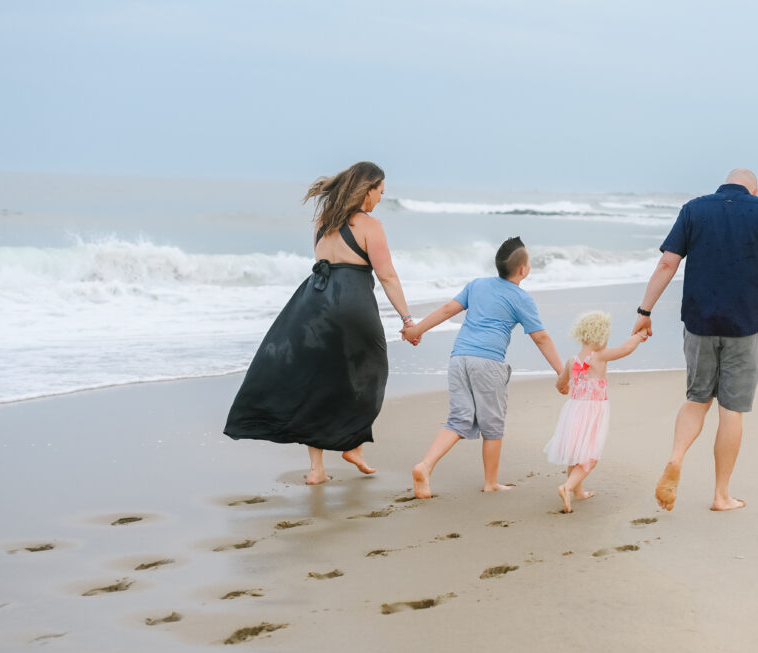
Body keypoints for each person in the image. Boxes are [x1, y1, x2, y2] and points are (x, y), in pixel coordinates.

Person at [223, 161, 416, 485]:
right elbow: (386, 275)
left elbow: (323, 262)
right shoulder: (369, 225)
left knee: (317, 379)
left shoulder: (323, 222)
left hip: (313, 303)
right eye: (380, 191)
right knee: (369, 371)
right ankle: (353, 445)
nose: (381, 198)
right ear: (367, 190)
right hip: (351, 303)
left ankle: (317, 468)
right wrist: (407, 318)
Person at [632, 168, 758, 511]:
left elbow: (667, 263)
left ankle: (676, 457)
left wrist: (645, 311)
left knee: (697, 399)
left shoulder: (694, 209)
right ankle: (721, 495)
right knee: (731, 411)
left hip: (700, 323)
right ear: (754, 190)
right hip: (746, 326)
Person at [402, 236, 564, 498]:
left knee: (458, 419)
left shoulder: (477, 285)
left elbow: (446, 310)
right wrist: (561, 372)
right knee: (493, 425)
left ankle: (425, 465)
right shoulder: (522, 299)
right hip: (488, 363)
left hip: (459, 359)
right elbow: (541, 338)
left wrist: (416, 330)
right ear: (523, 269)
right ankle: (490, 482)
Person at [544, 311, 648, 513]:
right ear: (600, 336)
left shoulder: (572, 360)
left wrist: (564, 388)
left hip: (574, 410)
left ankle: (578, 491)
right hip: (593, 412)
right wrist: (639, 335)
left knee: (576, 453)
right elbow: (626, 349)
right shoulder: (600, 356)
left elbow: (561, 384)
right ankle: (567, 487)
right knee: (590, 456)